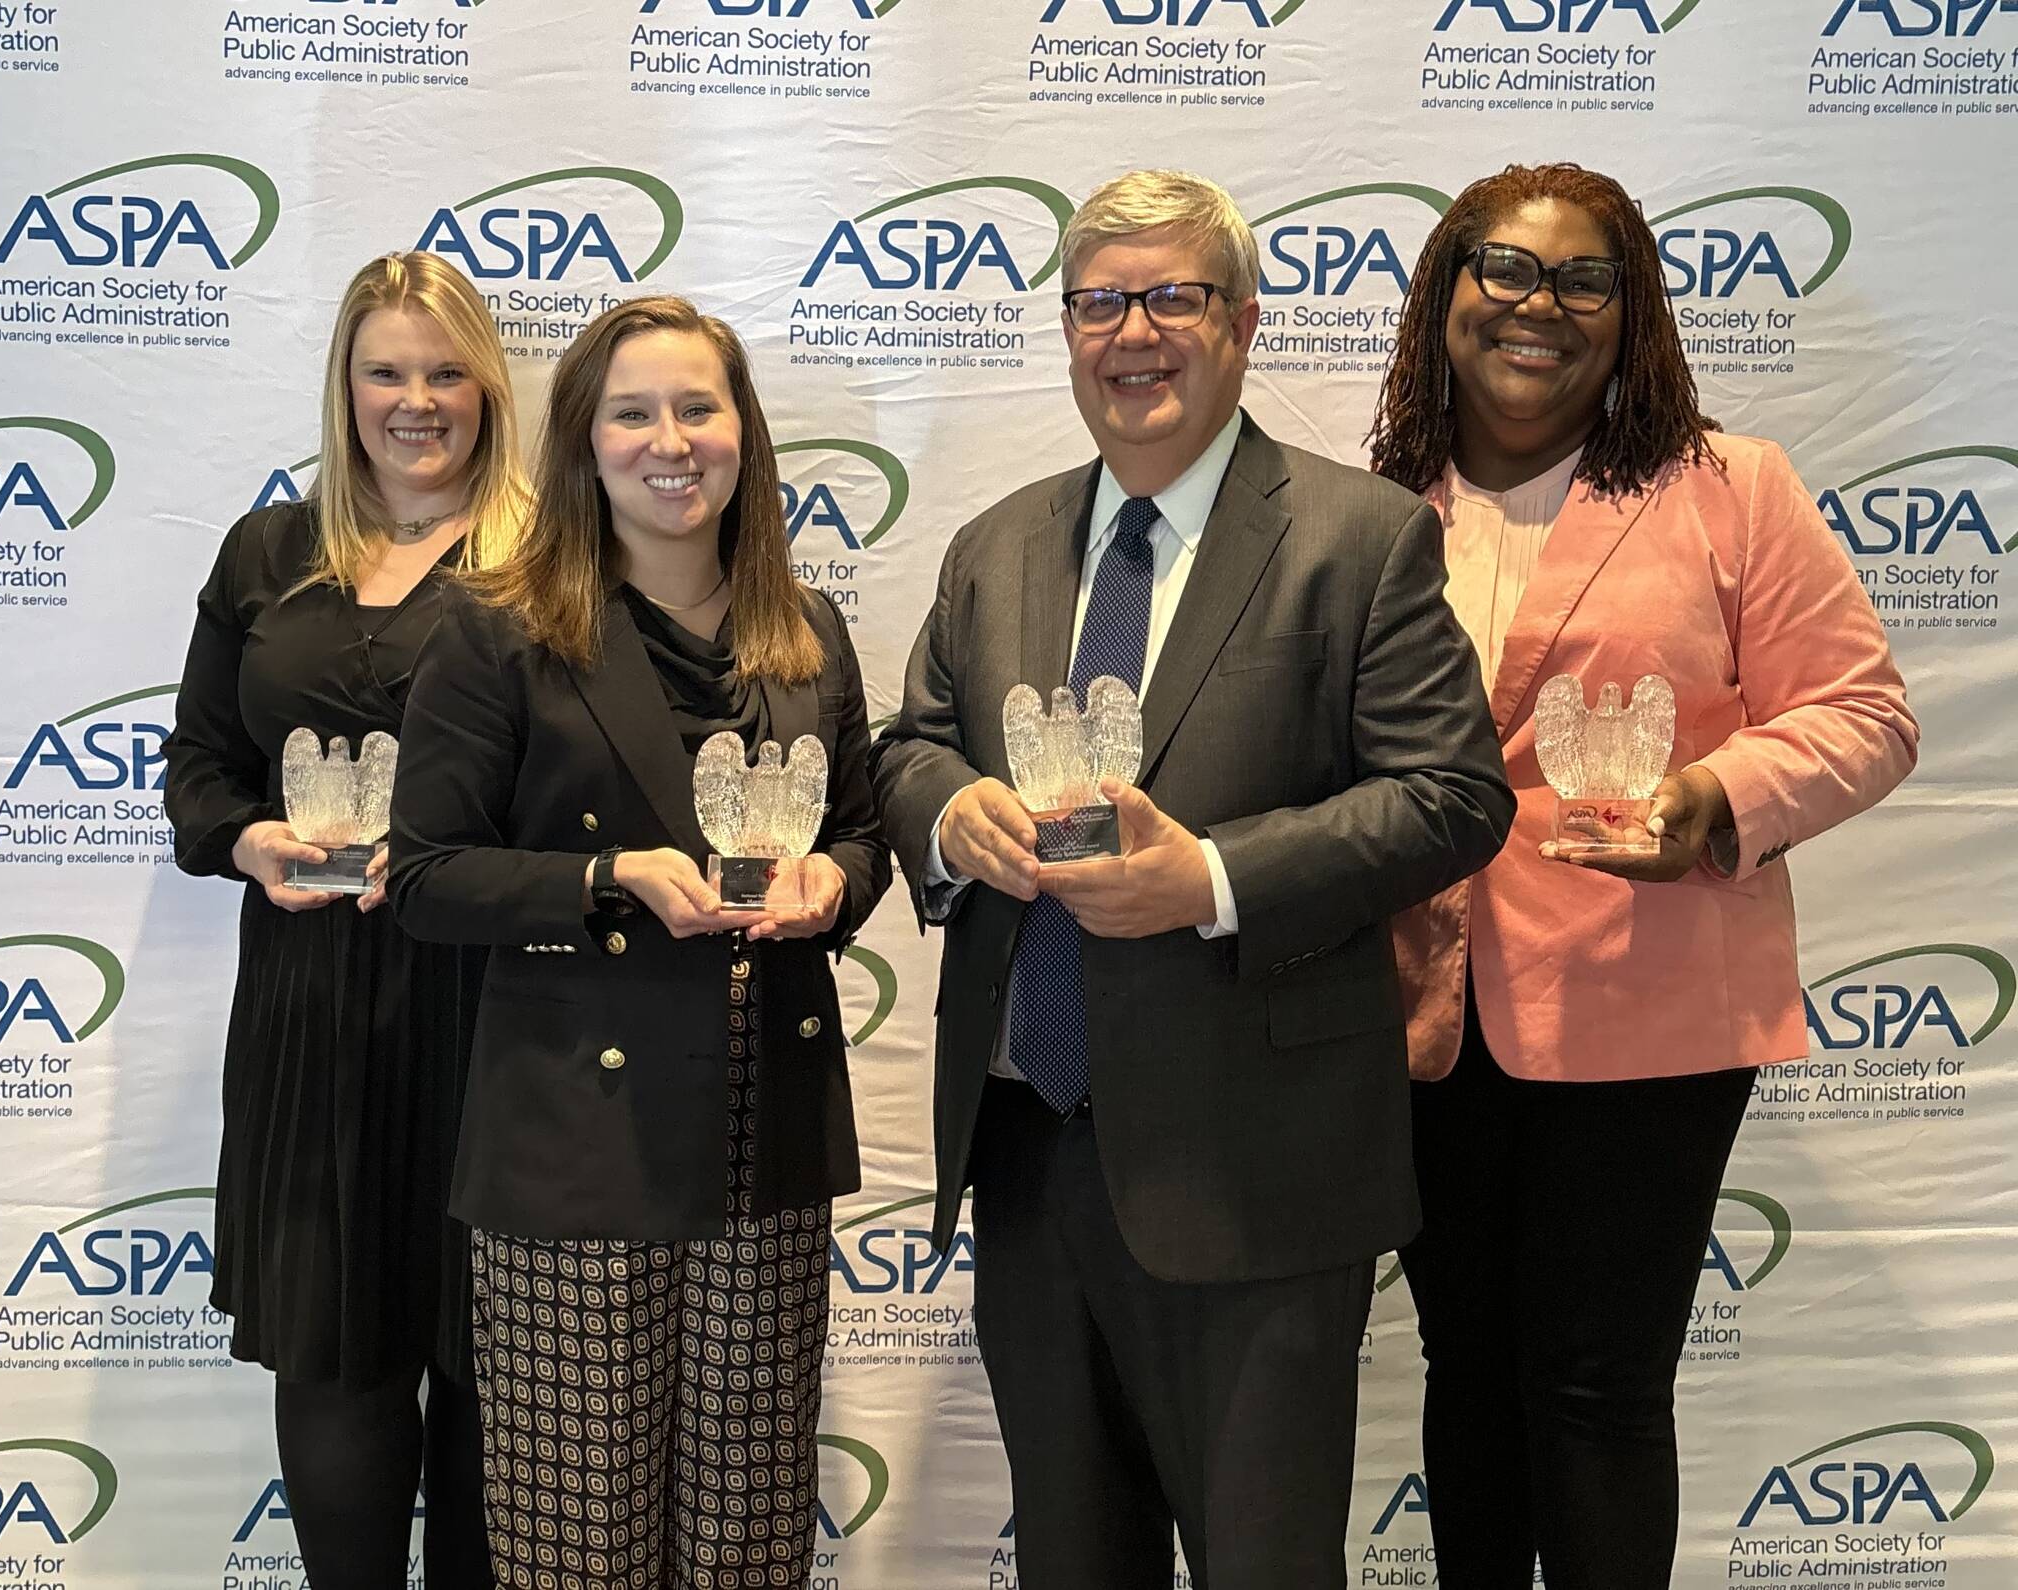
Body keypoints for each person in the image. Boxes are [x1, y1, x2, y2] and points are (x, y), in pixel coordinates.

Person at [869, 169, 1514, 1590]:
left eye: (1175, 296)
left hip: (1258, 1166)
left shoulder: (1361, 537)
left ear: (1242, 322)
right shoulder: (994, 545)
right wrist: (953, 810)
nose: (1134, 332)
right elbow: (908, 744)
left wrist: (1212, 877)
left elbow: (1456, 797)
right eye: (1100, 302)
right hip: (1029, 1151)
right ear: (1067, 329)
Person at [1365, 162, 1920, 1590]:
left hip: (1649, 1016)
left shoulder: (1733, 489)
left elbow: (1866, 714)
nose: (1537, 305)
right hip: (1421, 1016)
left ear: (1633, 314)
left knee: (1599, 1386)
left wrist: (1718, 799)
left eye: (1583, 280)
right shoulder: (1370, 508)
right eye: (1503, 269)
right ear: (1444, 295)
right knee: (1464, 1368)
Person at [386, 294, 890, 1590]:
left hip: (763, 1143)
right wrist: (608, 879)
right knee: (582, 1549)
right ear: (584, 441)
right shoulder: (499, 628)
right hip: (577, 1154)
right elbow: (426, 878)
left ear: (743, 432)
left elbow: (863, 834)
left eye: (698, 408)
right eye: (633, 413)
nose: (671, 440)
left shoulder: (809, 632)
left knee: (747, 1544)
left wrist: (831, 883)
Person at [164, 251, 530, 1586]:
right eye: (386, 372)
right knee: (333, 1364)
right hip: (310, 1011)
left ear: (487, 390)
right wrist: (247, 838)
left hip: (497, 1013)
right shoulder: (266, 553)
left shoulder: (551, 560)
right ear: (345, 385)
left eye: (445, 373)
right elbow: (199, 766)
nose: (416, 401)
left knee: (500, 1372)